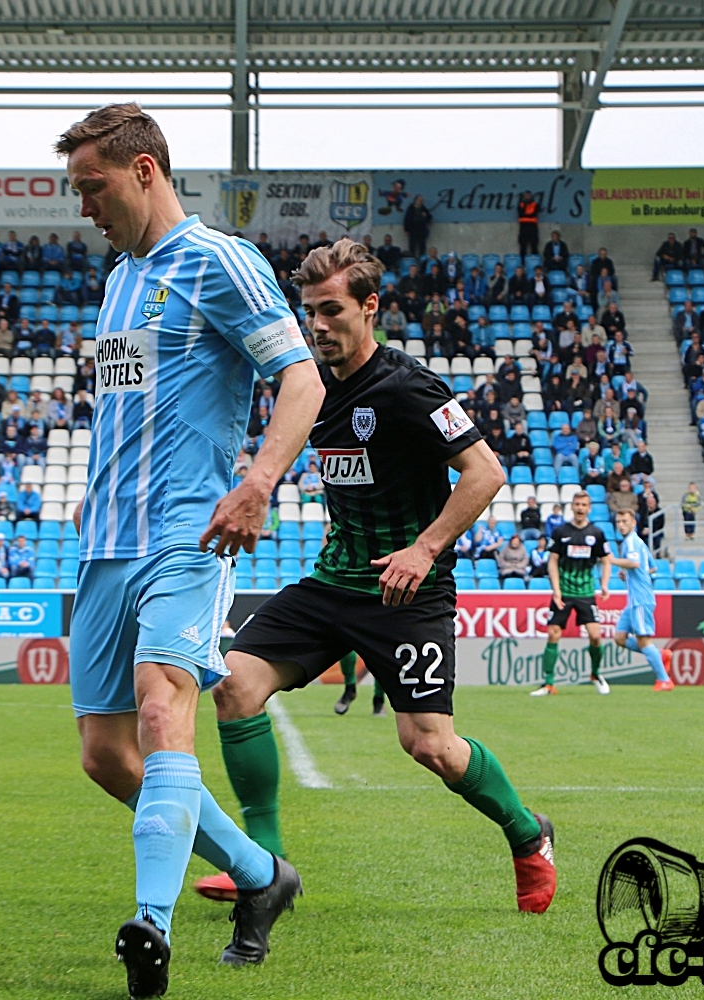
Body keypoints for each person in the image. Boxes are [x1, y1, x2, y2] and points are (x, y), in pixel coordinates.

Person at [197, 237, 556, 924]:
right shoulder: (307, 386)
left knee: (430, 747)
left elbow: (485, 473)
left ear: (370, 307)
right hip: (334, 583)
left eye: (332, 311)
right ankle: (264, 869)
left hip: (405, 593)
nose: (318, 325)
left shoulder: (407, 386)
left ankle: (525, 833)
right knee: (236, 686)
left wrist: (424, 548)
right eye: (309, 312)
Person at [54, 103, 323, 995]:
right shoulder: (119, 280)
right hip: (104, 542)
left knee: (164, 708)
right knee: (105, 755)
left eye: (92, 187)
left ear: (144, 170)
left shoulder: (220, 260)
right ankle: (260, 875)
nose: (84, 206)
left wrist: (258, 481)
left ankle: (151, 925)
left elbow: (301, 376)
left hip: (187, 530)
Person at [532, 490, 611, 696]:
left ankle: (595, 673)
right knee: (553, 633)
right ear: (572, 506)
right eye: (577, 504)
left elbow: (606, 559)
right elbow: (553, 561)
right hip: (564, 591)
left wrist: (604, 584)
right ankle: (549, 683)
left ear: (589, 508)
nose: (580, 508)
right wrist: (556, 591)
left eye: (584, 505)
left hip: (586, 591)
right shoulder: (560, 532)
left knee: (595, 636)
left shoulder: (597, 533)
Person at [609, 509, 674, 690]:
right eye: (619, 522)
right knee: (620, 637)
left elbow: (635, 563)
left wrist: (611, 560)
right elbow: (651, 568)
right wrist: (629, 575)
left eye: (624, 521)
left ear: (633, 523)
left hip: (640, 598)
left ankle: (664, 680)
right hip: (634, 601)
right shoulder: (638, 542)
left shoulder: (631, 542)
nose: (621, 525)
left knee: (643, 639)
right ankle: (660, 655)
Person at [403, 194, 432, 259]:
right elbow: (406, 219)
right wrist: (406, 229)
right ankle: (412, 260)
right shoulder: (410, 208)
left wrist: (426, 216)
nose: (420, 202)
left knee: (422, 247)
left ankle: (421, 260)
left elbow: (430, 218)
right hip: (412, 230)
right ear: (415, 200)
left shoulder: (423, 208)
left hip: (421, 231)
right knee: (412, 247)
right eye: (419, 200)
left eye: (421, 200)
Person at [516, 190, 539, 260]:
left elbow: (534, 213)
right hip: (523, 227)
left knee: (534, 245)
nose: (527, 197)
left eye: (529, 195)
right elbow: (521, 213)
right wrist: (528, 214)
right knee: (523, 246)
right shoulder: (520, 204)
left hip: (533, 227)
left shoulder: (535, 204)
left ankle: (535, 261)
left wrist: (525, 214)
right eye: (526, 195)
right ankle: (522, 263)